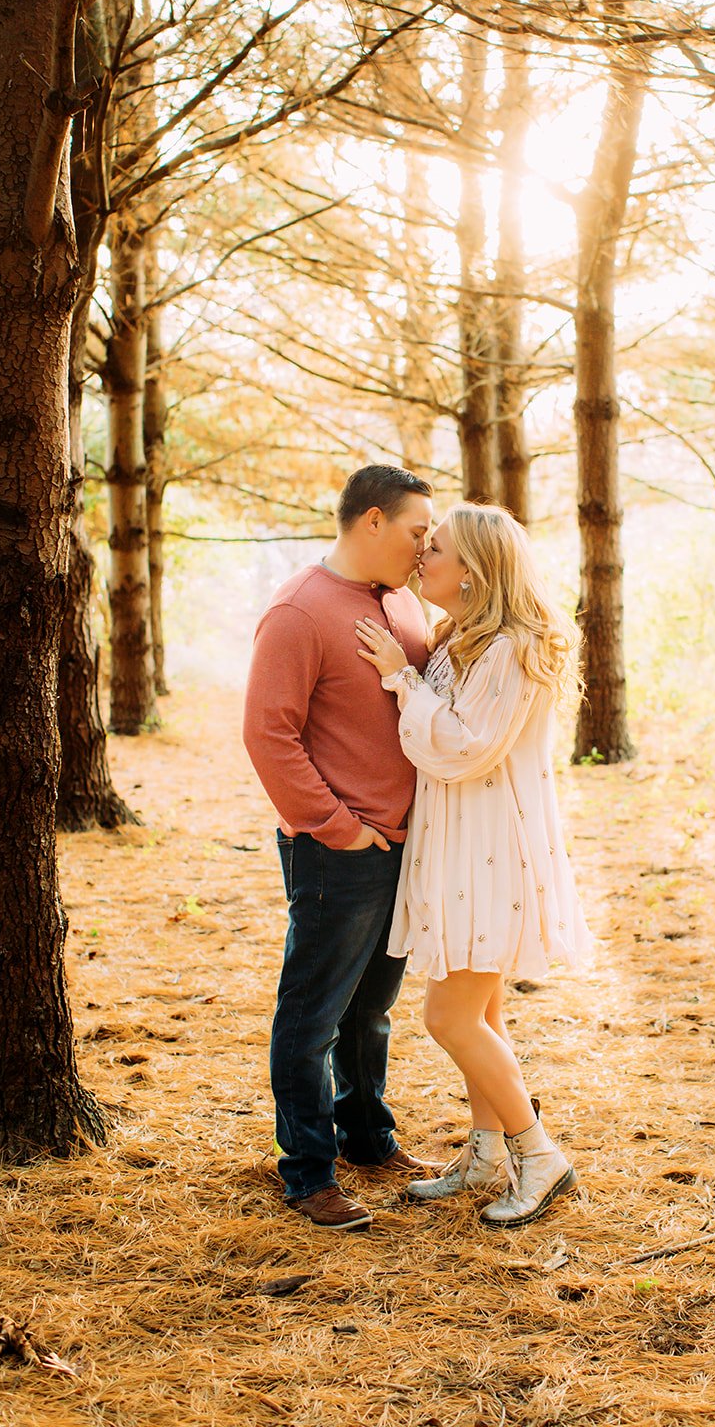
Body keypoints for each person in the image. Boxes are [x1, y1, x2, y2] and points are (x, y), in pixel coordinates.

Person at [355, 503, 593, 1226]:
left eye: (438, 550)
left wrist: (402, 679)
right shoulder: (465, 639)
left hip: (491, 851)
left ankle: (538, 1152)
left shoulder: (512, 648)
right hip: (464, 844)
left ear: (475, 571)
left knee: (448, 1017)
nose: (423, 557)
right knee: (483, 1010)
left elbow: (461, 748)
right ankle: (487, 1150)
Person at [243, 464, 438, 1232]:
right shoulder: (298, 610)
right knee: (313, 1015)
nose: (426, 550)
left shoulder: (401, 602)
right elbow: (268, 734)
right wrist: (340, 828)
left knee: (371, 1012)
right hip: (338, 849)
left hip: (400, 845)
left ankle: (367, 1140)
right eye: (417, 533)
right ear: (371, 523)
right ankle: (309, 1174)